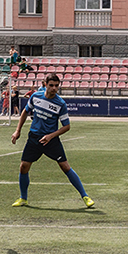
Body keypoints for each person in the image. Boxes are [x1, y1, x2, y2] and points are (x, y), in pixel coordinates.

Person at [10, 73, 94, 208]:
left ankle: (85, 196)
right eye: (51, 85)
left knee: (65, 167)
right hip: (34, 137)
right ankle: (23, 198)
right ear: (45, 84)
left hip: (51, 140)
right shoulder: (36, 96)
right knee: (24, 167)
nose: (54, 88)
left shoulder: (60, 103)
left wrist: (50, 136)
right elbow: (25, 112)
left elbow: (67, 126)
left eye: (56, 86)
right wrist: (17, 130)